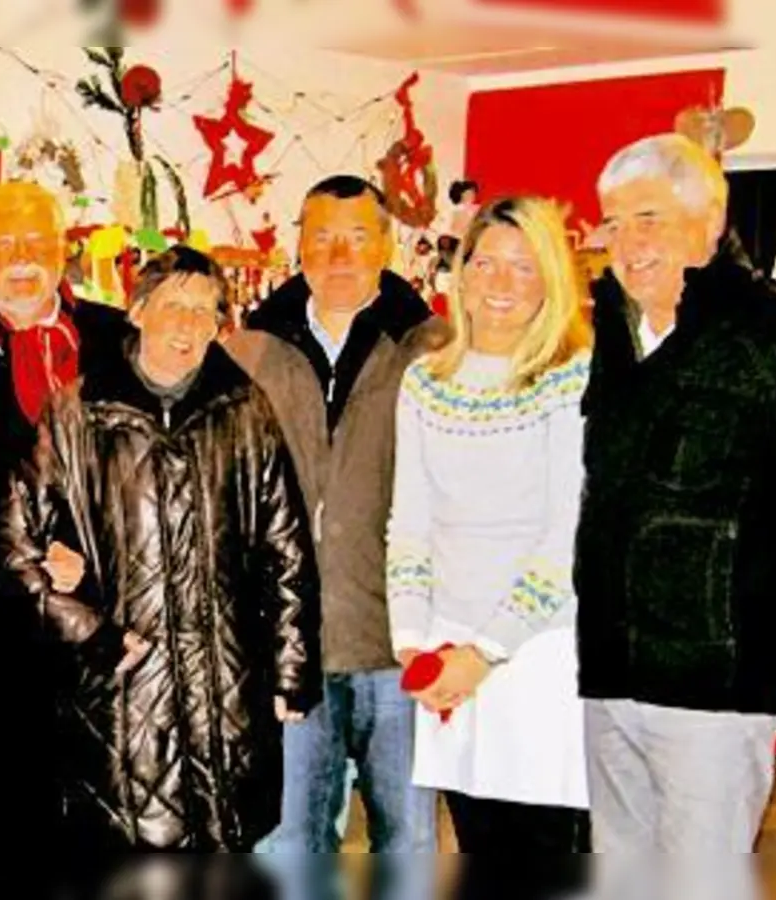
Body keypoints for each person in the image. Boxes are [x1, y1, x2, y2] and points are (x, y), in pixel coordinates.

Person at [576, 134, 776, 852]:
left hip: (720, 688)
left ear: (709, 221)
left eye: (649, 218)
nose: (626, 242)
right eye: (613, 222)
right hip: (609, 675)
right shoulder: (606, 334)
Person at [0, 245, 320, 850]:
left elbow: (287, 546)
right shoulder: (78, 414)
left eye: (206, 311)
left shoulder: (245, 410)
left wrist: (291, 667)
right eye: (174, 305)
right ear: (138, 311)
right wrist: (89, 632)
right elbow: (16, 546)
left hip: (226, 692)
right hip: (123, 697)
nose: (189, 325)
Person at [386, 198, 593, 862]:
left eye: (524, 268)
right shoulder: (426, 382)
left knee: (546, 854)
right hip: (448, 656)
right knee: (479, 843)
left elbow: (567, 537)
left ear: (550, 284)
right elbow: (410, 520)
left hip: (541, 654)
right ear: (462, 273)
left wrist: (487, 653)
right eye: (487, 264)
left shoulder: (573, 380)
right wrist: (413, 644)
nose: (500, 285)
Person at [246, 175, 447, 853]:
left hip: (400, 641)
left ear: (386, 246)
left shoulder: (433, 349)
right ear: (296, 245)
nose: (339, 255)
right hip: (290, 644)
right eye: (322, 236)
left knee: (409, 843)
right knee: (290, 843)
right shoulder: (250, 352)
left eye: (357, 237)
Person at [0, 180, 132, 849]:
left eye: (35, 241)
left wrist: (92, 551)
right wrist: (25, 561)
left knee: (107, 825)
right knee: (12, 823)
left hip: (111, 625)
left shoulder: (119, 340)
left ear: (63, 247)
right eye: (2, 244)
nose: (21, 257)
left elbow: (153, 475)